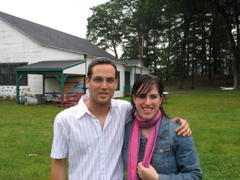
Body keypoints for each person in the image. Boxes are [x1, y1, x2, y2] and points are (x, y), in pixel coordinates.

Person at [50, 58, 192, 180]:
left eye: (110, 80)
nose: (104, 86)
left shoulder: (124, 110)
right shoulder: (65, 119)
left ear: (116, 83)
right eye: (98, 80)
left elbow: (149, 112)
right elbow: (59, 163)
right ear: (88, 81)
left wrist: (177, 122)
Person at [123, 74, 202, 180]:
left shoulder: (178, 132)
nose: (147, 102)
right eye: (142, 96)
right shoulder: (125, 130)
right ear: (134, 99)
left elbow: (195, 176)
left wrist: (157, 178)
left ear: (160, 99)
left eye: (153, 97)